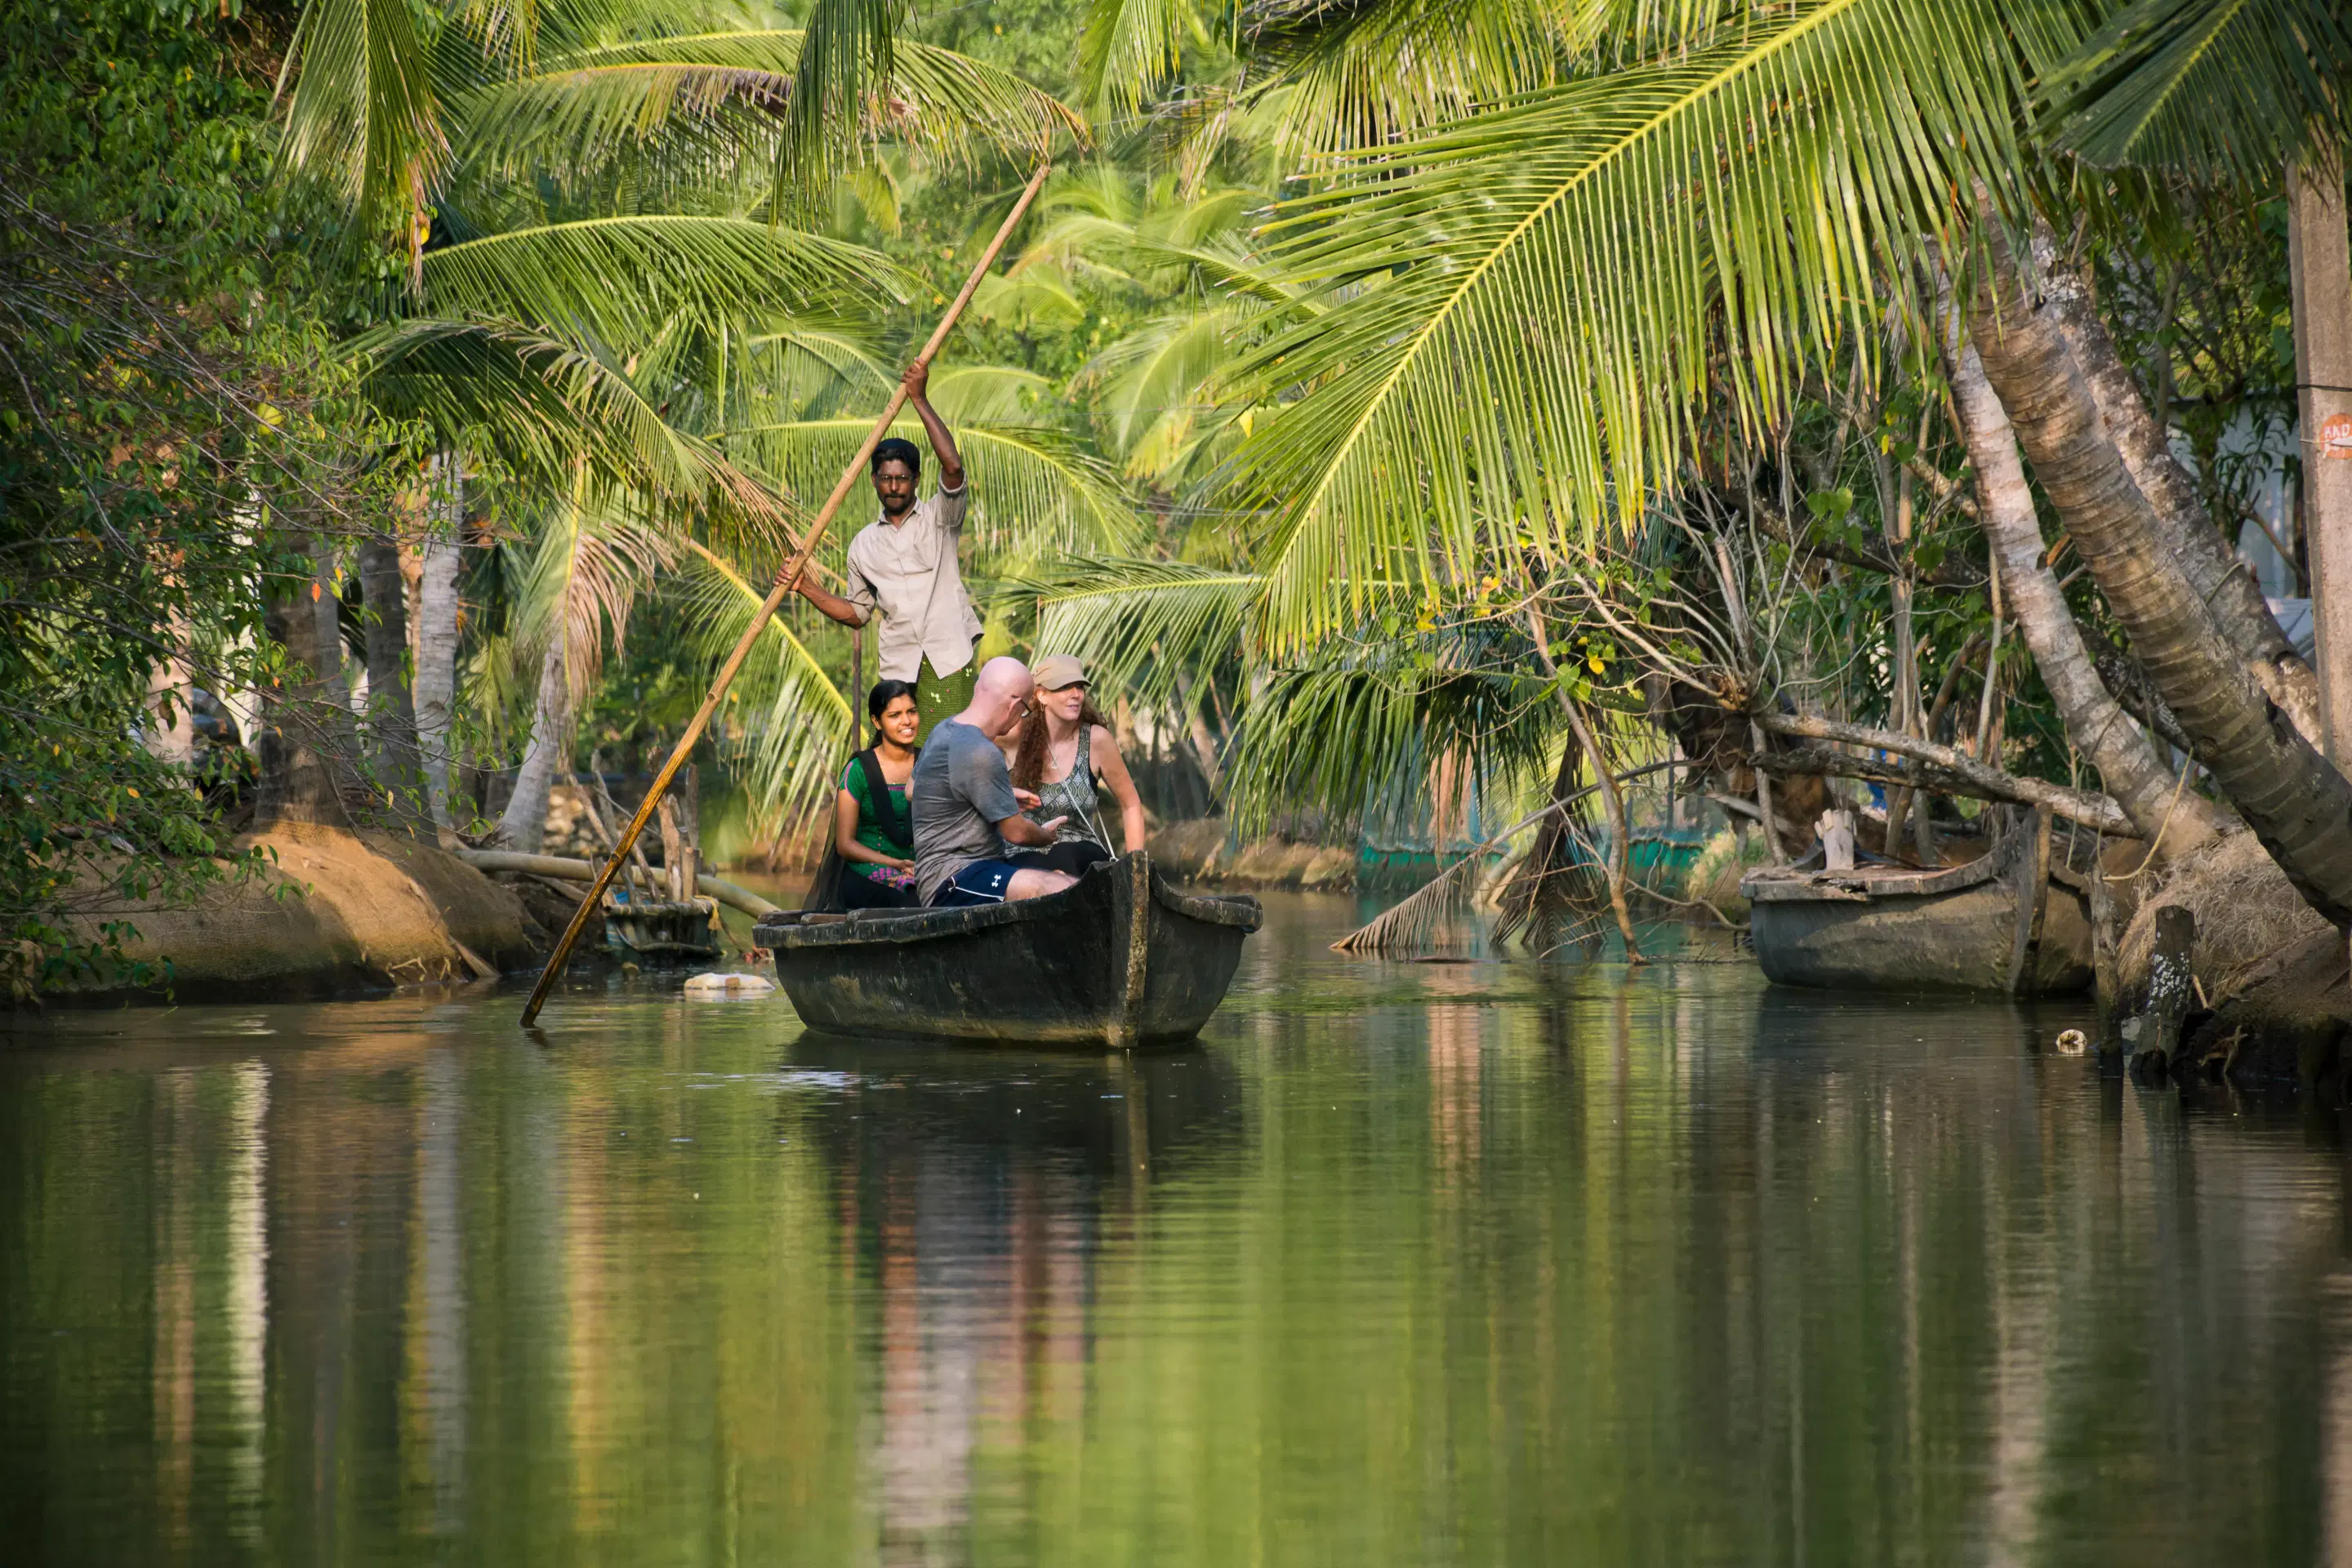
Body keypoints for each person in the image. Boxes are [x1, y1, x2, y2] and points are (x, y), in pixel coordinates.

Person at [781, 361, 978, 742]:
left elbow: (953, 466)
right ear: (874, 481)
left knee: (952, 754)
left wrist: (919, 399)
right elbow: (857, 614)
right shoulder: (863, 545)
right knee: (896, 761)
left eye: (902, 479)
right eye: (886, 479)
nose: (894, 487)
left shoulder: (941, 517)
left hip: (950, 660)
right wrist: (804, 586)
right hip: (899, 670)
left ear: (916, 480)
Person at [910, 657, 1080, 906]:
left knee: (1064, 873)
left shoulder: (944, 729)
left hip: (977, 867)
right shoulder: (981, 751)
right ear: (1013, 707)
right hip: (952, 878)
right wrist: (1047, 835)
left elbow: (912, 790)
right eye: (1023, 711)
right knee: (1058, 888)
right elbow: (1018, 833)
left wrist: (999, 794)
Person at [1004, 654, 1147, 879]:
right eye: (1064, 687)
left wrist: (1135, 872)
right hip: (1023, 852)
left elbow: (1131, 805)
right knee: (1030, 872)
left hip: (1079, 850)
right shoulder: (1013, 736)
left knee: (1067, 855)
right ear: (1042, 695)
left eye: (1080, 687)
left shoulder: (1096, 740)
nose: (1076, 695)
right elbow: (971, 741)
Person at [832, 679, 922, 910]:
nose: (907, 721)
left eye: (911, 711)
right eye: (895, 715)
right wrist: (896, 864)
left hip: (921, 865)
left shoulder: (931, 762)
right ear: (876, 721)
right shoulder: (858, 770)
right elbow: (844, 844)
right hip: (869, 869)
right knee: (913, 899)